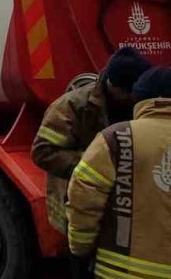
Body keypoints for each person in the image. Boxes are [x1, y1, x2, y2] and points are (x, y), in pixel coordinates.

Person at [32, 46, 152, 235]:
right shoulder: (72, 106)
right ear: (115, 87)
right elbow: (43, 152)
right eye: (133, 93)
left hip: (128, 205)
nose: (137, 98)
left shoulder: (141, 101)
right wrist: (96, 164)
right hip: (83, 204)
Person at [67, 66, 171, 278]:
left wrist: (80, 247)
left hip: (119, 272)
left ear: (139, 98)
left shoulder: (116, 138)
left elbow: (84, 197)